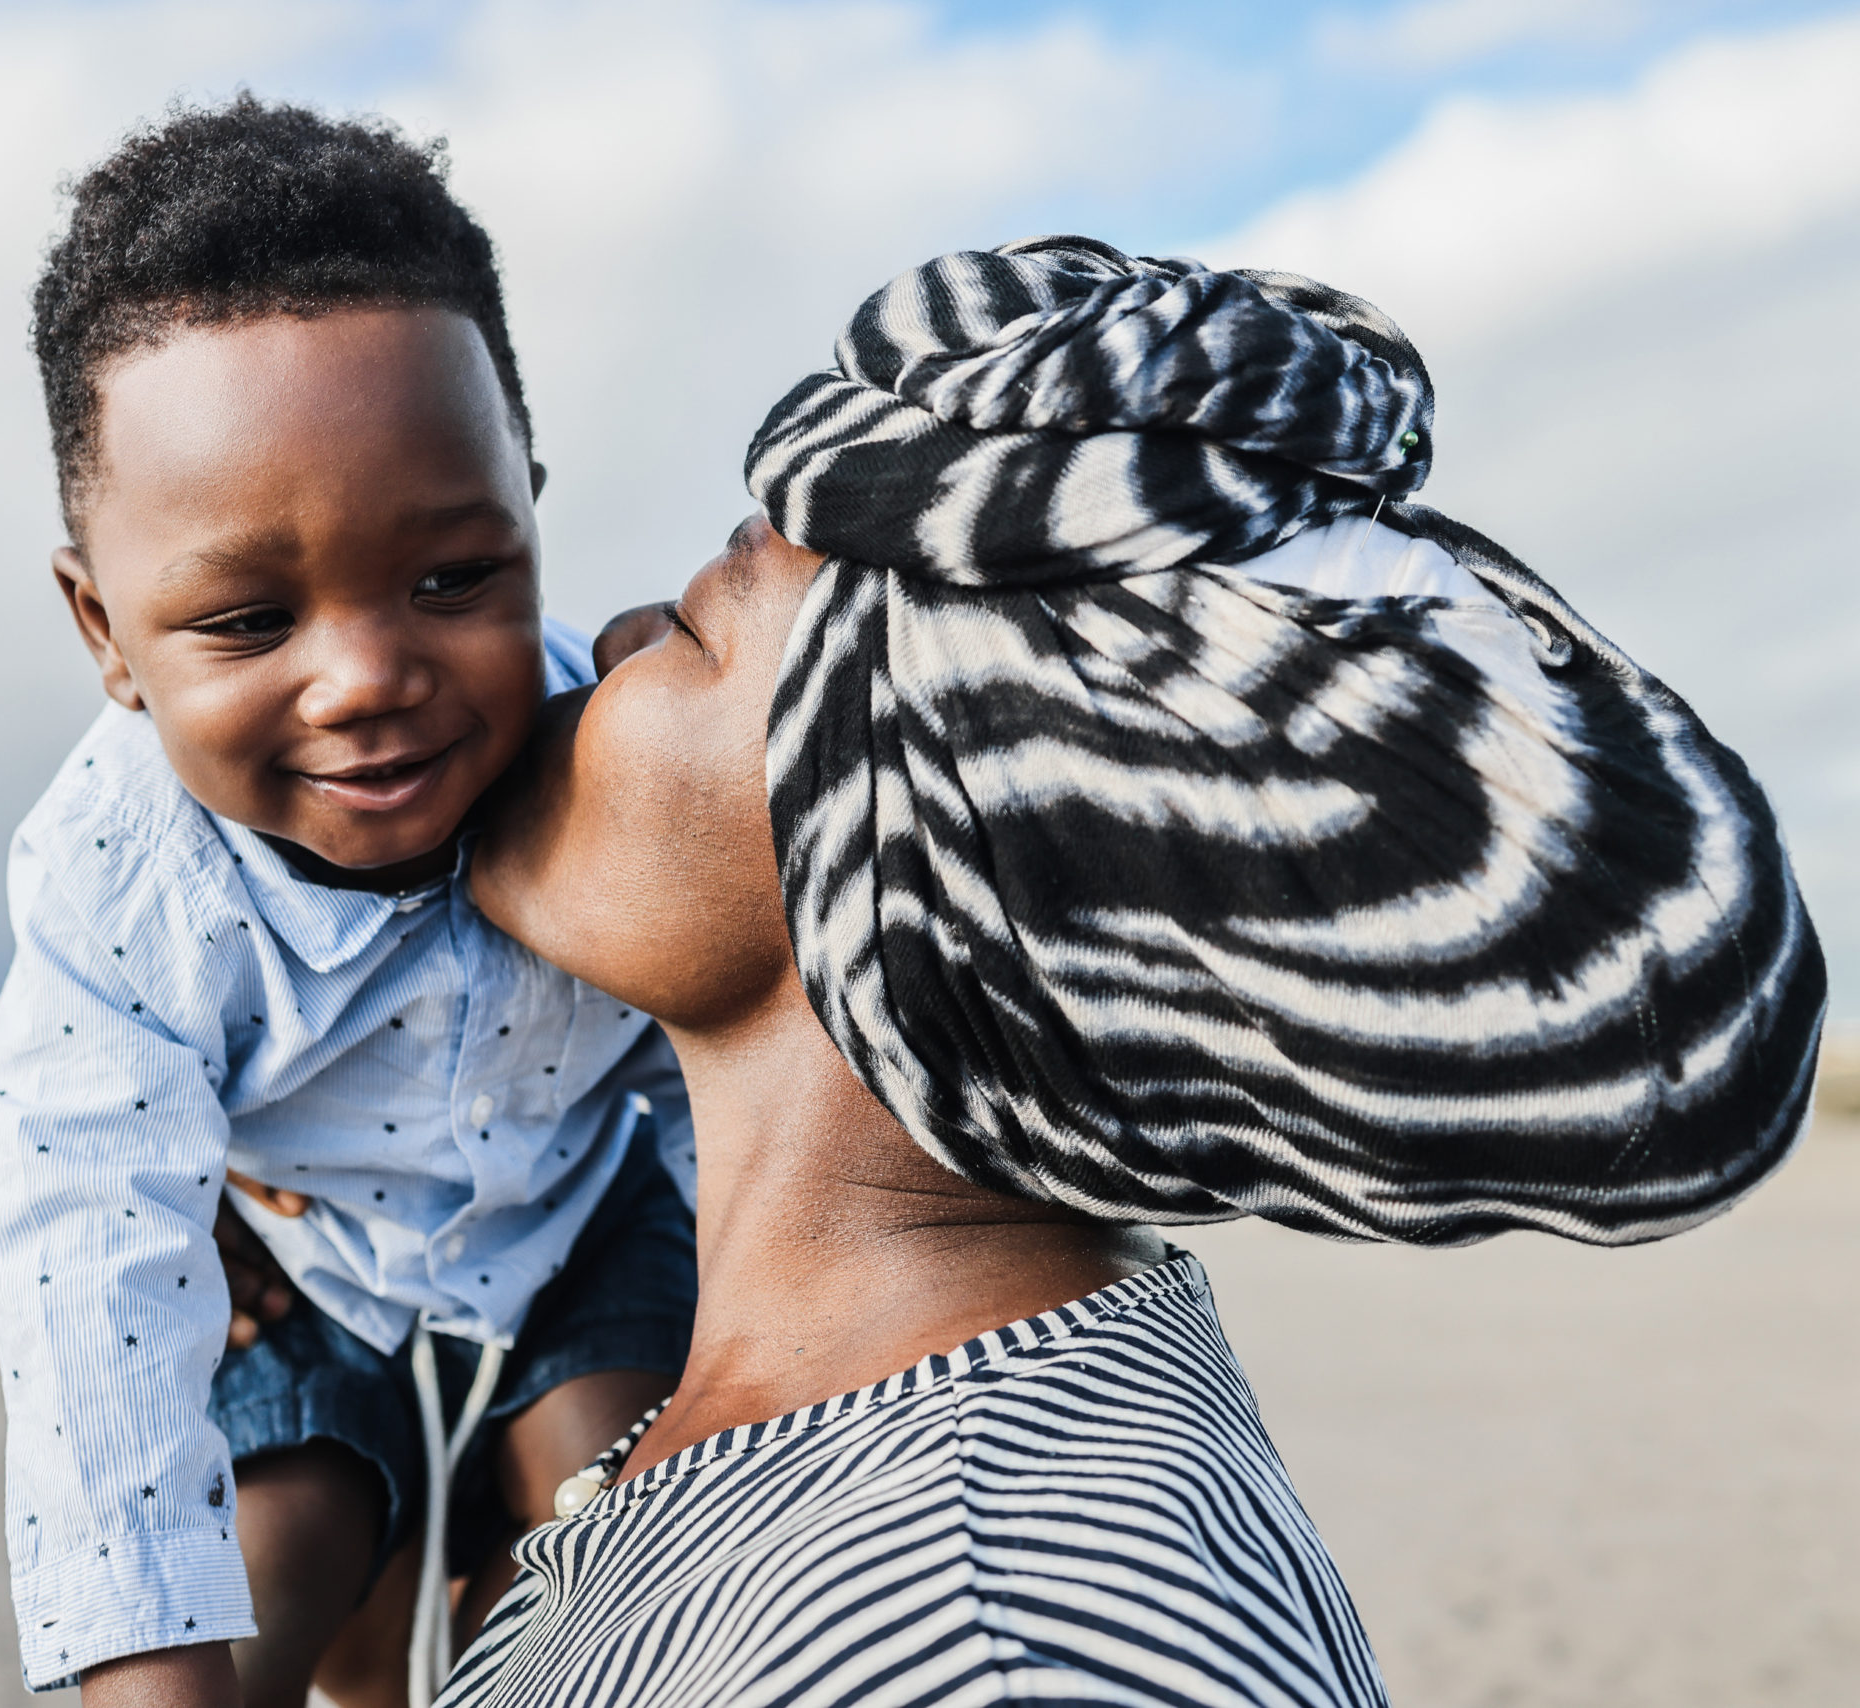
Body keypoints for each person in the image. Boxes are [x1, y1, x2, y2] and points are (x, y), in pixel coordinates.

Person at [445, 238, 1823, 1706]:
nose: (612, 637)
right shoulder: (837, 1427)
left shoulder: (993, 1641)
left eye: (706, 628)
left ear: (903, 862)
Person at [0, 99, 697, 1708]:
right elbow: (86, 1261)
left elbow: (730, 1056)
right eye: (244, 619)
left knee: (638, 1540)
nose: (369, 679)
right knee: (271, 1579)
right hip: (317, 1286)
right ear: (105, 626)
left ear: (528, 508)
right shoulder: (117, 890)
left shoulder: (616, 756)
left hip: (587, 1232)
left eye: (452, 579)